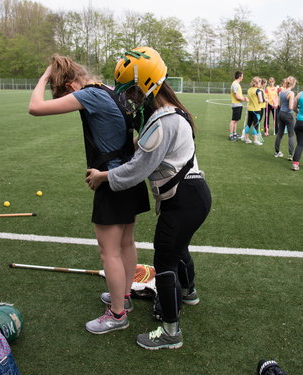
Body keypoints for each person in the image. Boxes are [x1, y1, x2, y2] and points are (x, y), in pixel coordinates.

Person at [86, 46, 212, 350]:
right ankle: (189, 292)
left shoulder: (163, 121)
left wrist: (103, 176)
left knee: (164, 260)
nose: (130, 98)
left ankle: (171, 333)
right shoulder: (171, 112)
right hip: (193, 196)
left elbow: (138, 169)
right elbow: (146, 151)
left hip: (183, 200)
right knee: (179, 248)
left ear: (148, 84)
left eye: (132, 91)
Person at [28, 54, 150, 334]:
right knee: (127, 243)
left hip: (110, 180)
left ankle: (117, 315)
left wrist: (45, 77)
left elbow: (35, 108)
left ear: (70, 85)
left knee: (109, 251)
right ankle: (125, 298)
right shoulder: (110, 89)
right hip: (130, 176)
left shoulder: (88, 94)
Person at [274, 76, 297, 160]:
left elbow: (279, 104)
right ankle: (291, 155)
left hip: (281, 113)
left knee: (280, 133)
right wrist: (297, 109)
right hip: (288, 115)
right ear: (293, 84)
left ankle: (276, 152)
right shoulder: (291, 93)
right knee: (291, 135)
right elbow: (291, 107)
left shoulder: (281, 92)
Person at [243, 76, 265, 145]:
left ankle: (246, 138)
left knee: (249, 123)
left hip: (250, 109)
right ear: (256, 83)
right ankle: (255, 140)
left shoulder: (249, 89)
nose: (260, 84)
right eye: (259, 82)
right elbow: (261, 100)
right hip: (256, 109)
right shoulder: (258, 91)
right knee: (256, 124)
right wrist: (265, 100)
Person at [229, 71, 248, 141]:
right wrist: (244, 99)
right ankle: (231, 135)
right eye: (242, 76)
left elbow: (239, 95)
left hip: (239, 104)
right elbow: (237, 96)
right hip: (236, 104)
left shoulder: (237, 84)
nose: (243, 77)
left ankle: (234, 133)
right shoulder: (235, 84)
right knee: (233, 120)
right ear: (239, 76)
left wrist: (244, 98)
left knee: (236, 120)